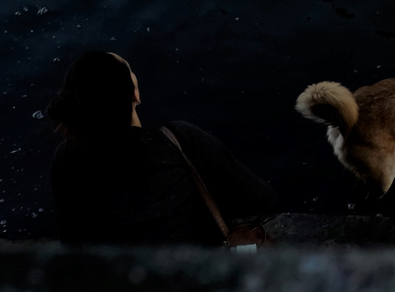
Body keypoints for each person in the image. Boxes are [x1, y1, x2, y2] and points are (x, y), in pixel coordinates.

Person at [46, 50, 277, 246]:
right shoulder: (180, 140)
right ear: (134, 95)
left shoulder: (66, 159)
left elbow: (71, 242)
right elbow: (263, 200)